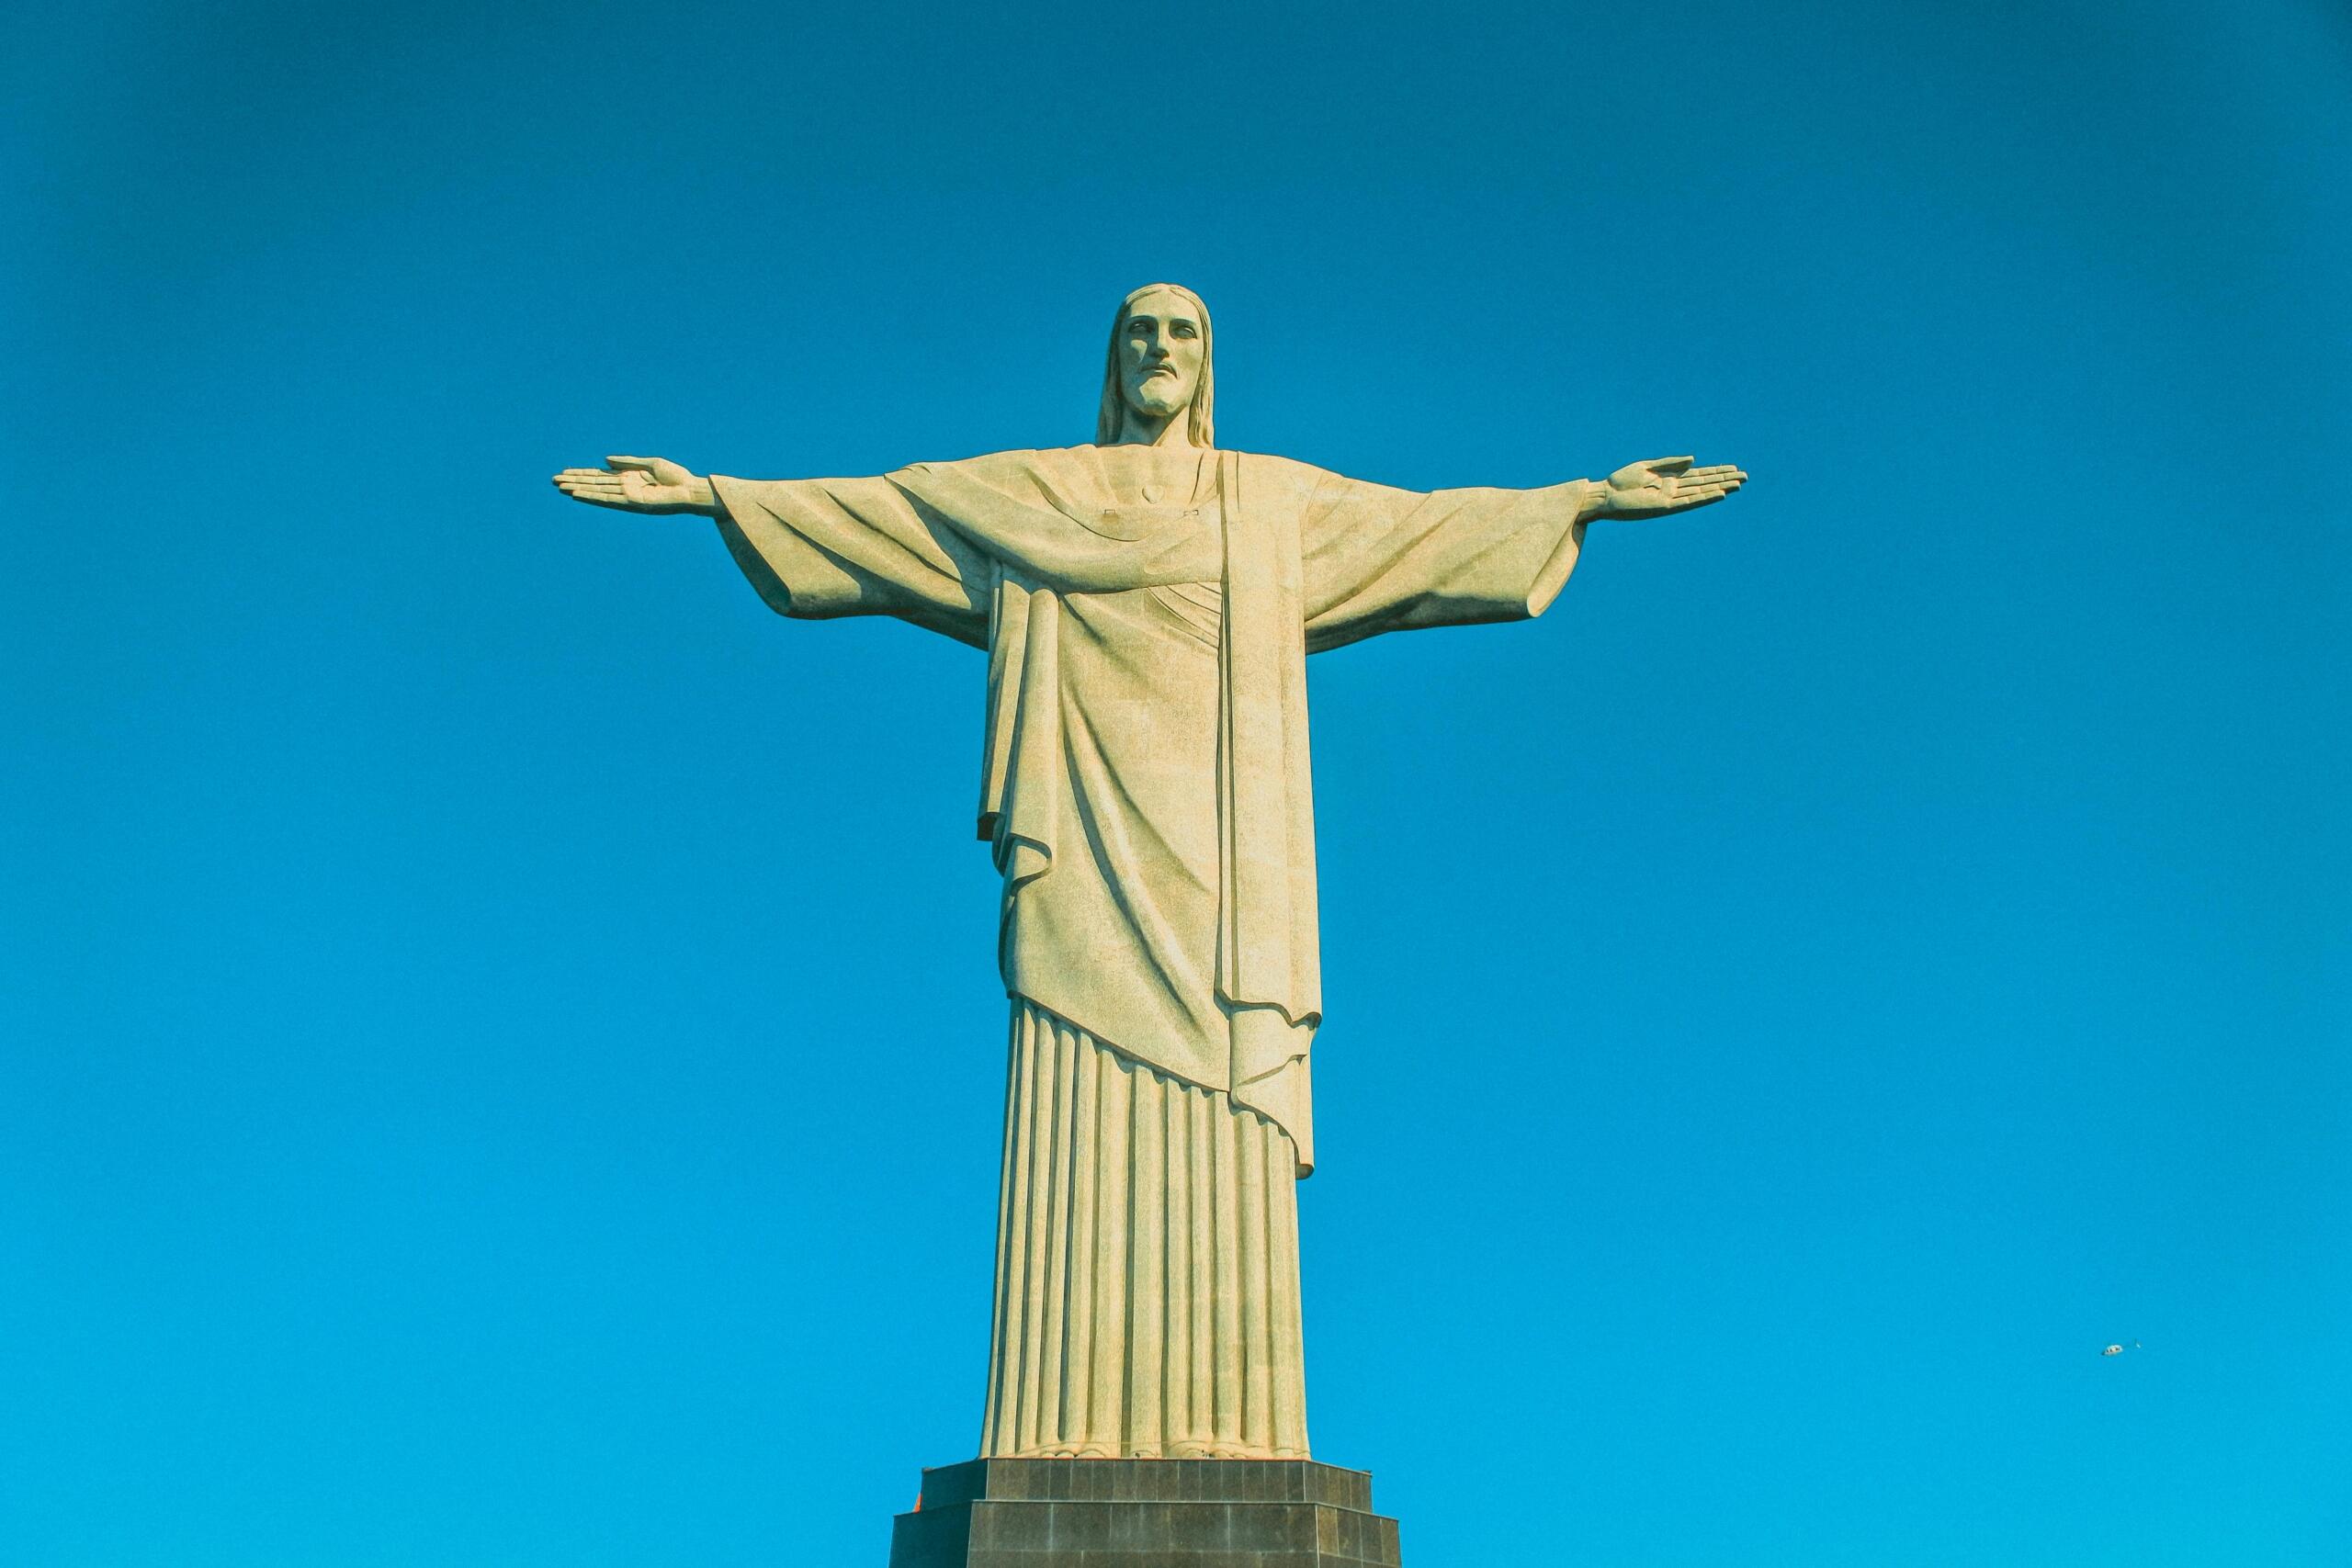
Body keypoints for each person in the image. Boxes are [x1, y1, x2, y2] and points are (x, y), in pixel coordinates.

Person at [553, 283, 1744, 1460]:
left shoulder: (1267, 502)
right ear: (1113, 358)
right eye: (1140, 333)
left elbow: (1422, 528)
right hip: (1080, 839)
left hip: (1226, 861)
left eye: (1182, 332)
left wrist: (1581, 499)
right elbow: (887, 514)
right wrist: (717, 495)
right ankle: (1056, 1425)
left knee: (1227, 1092)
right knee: (1074, 1082)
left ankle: (1238, 1430)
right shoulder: (1039, 494)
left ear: (1207, 361)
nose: (1160, 350)